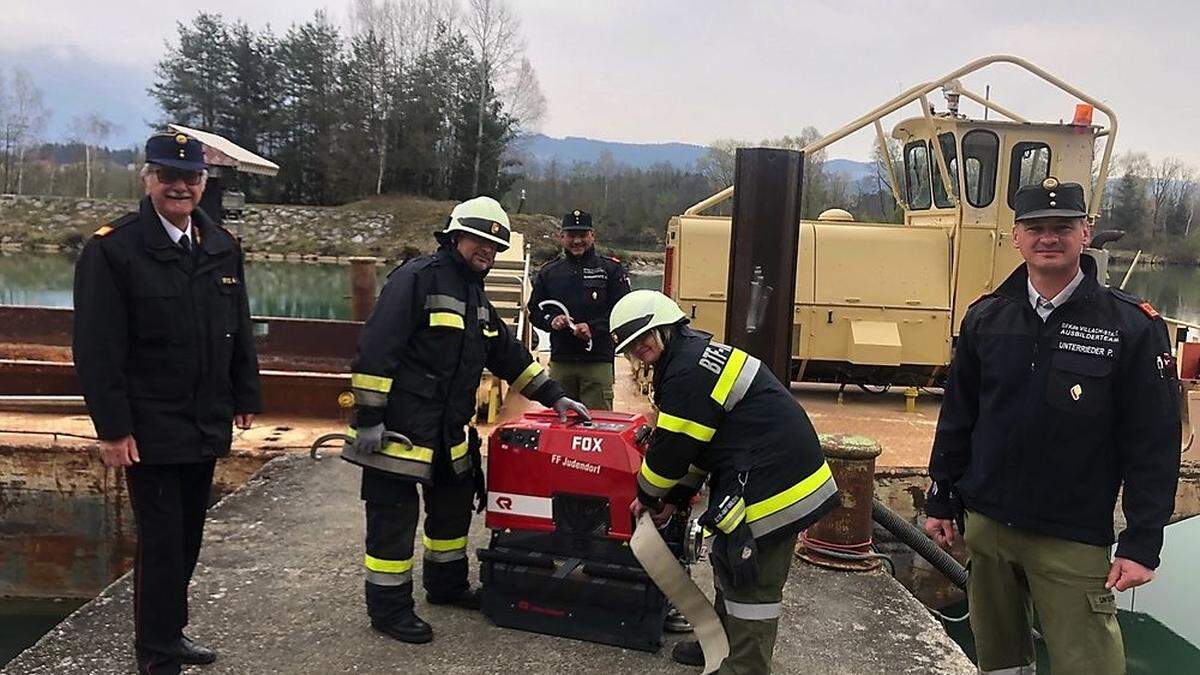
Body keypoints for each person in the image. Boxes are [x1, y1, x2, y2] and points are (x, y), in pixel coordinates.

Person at [924, 178, 1181, 674]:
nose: (1049, 238)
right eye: (1035, 227)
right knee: (998, 661)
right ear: (1016, 236)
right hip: (989, 528)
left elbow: (1153, 444)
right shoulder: (987, 317)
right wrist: (941, 497)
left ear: (1085, 233)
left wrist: (1142, 542)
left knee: (1089, 664)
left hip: (1072, 537)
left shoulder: (1131, 327)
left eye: (1062, 227)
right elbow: (958, 418)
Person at [347, 195, 589, 644]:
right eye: (480, 241)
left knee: (452, 510)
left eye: (495, 247)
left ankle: (447, 586)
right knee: (392, 524)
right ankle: (389, 609)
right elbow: (377, 349)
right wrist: (368, 419)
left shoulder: (474, 296)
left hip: (448, 429)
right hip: (399, 429)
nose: (488, 252)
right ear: (456, 236)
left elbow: (507, 354)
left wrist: (554, 396)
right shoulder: (417, 279)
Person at [73, 132, 262, 675]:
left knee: (187, 538)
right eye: (168, 176)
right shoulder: (113, 250)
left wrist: (245, 391)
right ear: (147, 179)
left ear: (204, 183)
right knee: (160, 544)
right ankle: (156, 655)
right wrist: (112, 429)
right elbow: (96, 347)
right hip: (149, 425)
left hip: (203, 418)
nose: (180, 186)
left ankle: (170, 634)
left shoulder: (219, 243)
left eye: (191, 177)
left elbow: (237, 327)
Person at [612, 289, 838, 674]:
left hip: (776, 482)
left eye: (643, 338)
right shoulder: (692, 356)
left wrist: (648, 496)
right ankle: (718, 645)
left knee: (752, 579)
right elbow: (701, 444)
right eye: (631, 345)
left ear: (667, 327)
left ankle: (745, 667)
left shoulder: (685, 372)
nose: (638, 350)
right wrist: (678, 494)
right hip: (759, 468)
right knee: (728, 557)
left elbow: (670, 452)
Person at [528, 209, 630, 410]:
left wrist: (594, 328)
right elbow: (535, 311)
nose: (577, 241)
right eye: (571, 235)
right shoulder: (549, 272)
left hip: (598, 361)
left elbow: (624, 313)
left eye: (582, 235)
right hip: (561, 362)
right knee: (559, 423)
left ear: (592, 235)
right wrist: (552, 321)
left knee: (598, 422)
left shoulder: (610, 270)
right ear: (562, 237)